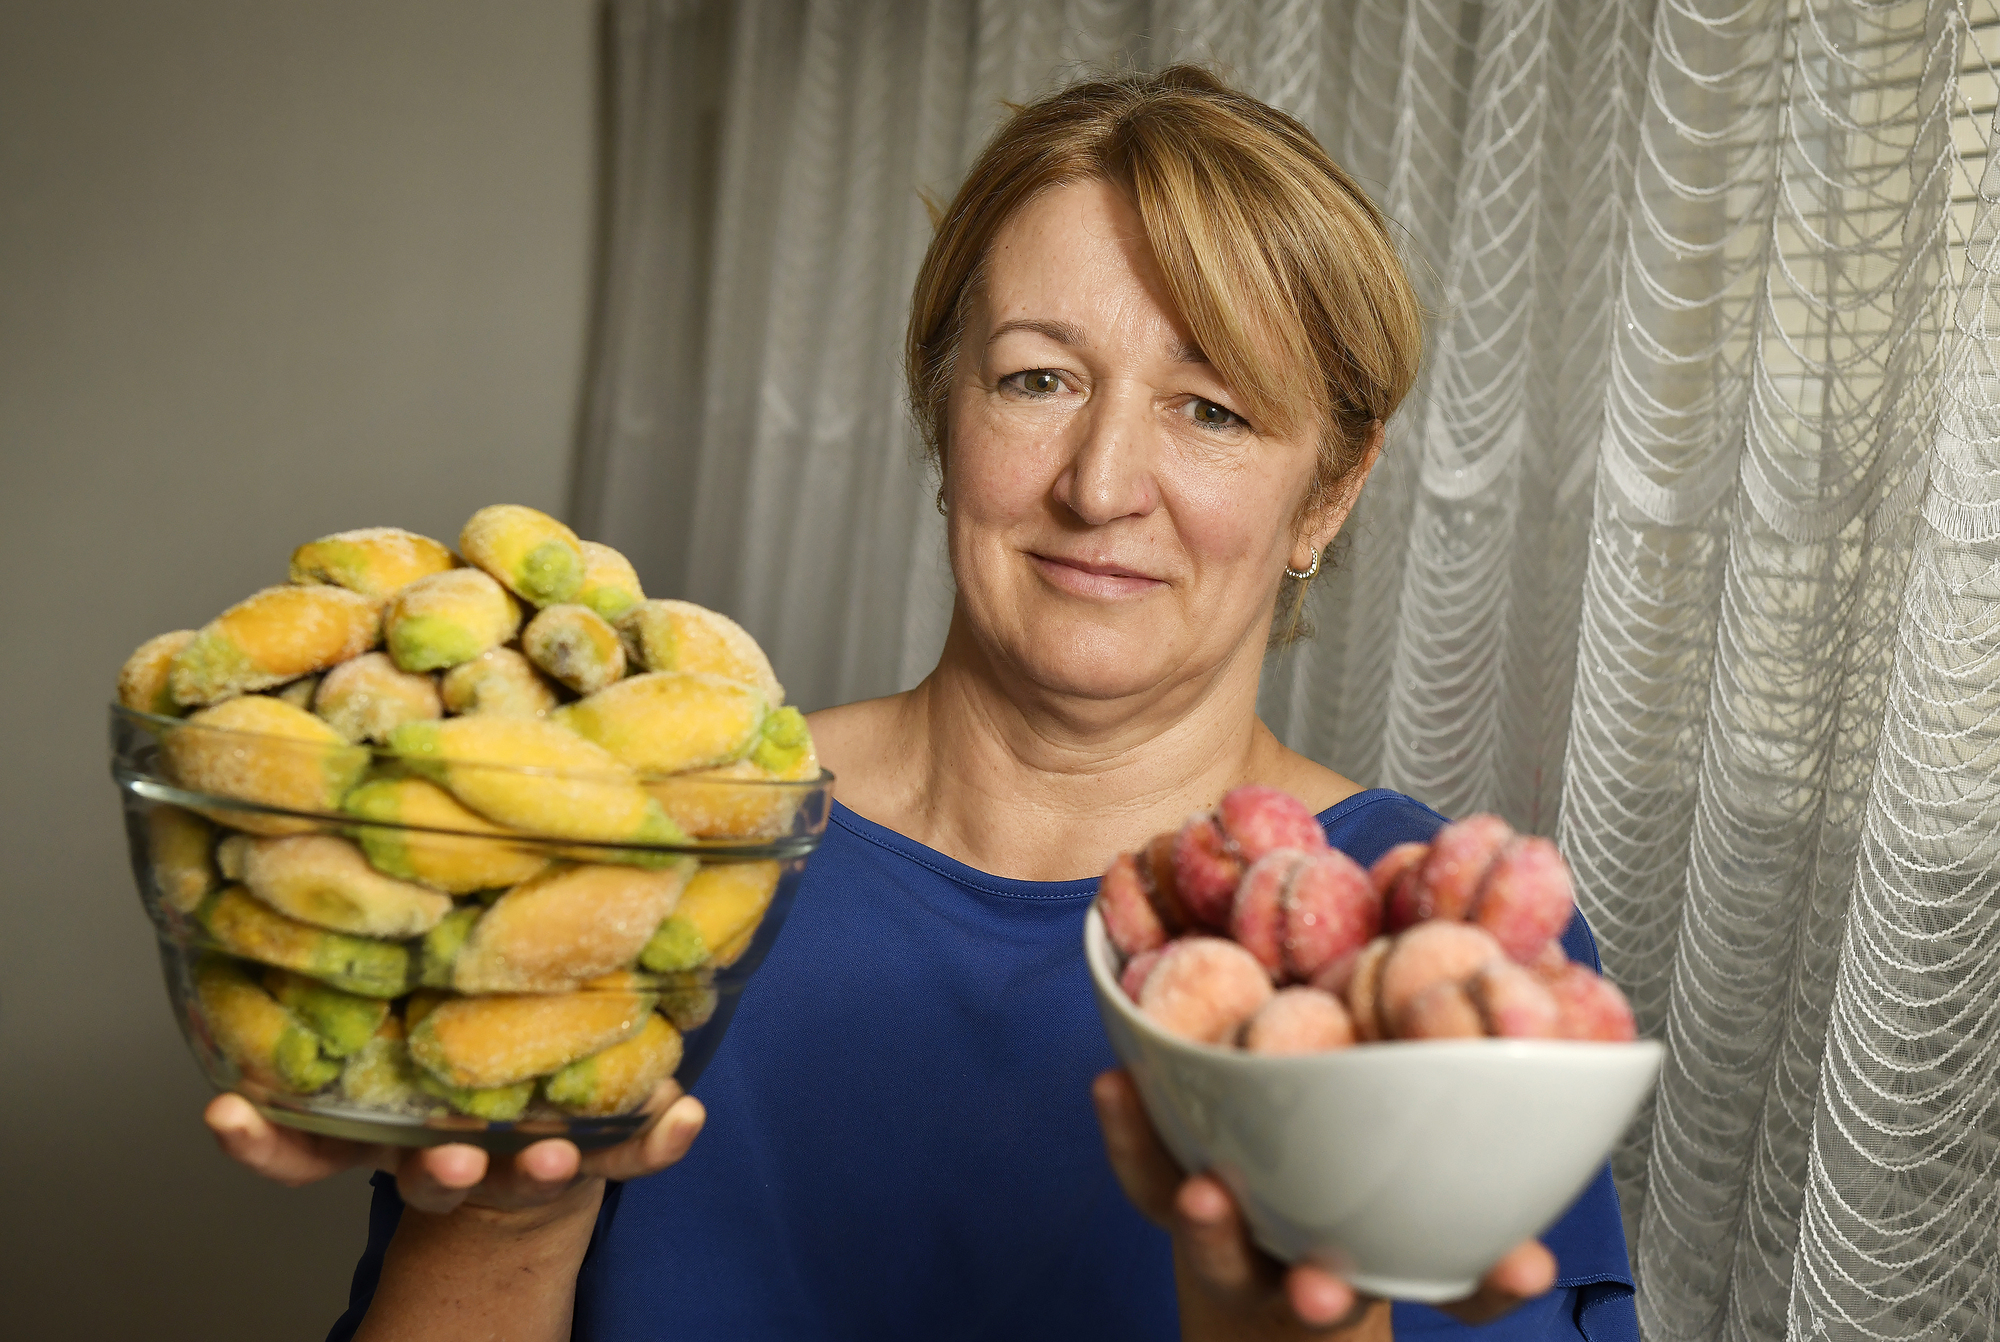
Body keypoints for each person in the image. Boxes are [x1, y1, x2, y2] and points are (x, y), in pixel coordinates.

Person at [205, 67, 1637, 1340]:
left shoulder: (1431, 950)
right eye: (1036, 378)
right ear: (943, 411)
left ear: (1332, 488)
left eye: (1213, 408)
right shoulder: (655, 850)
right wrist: (505, 1220)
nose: (1098, 483)